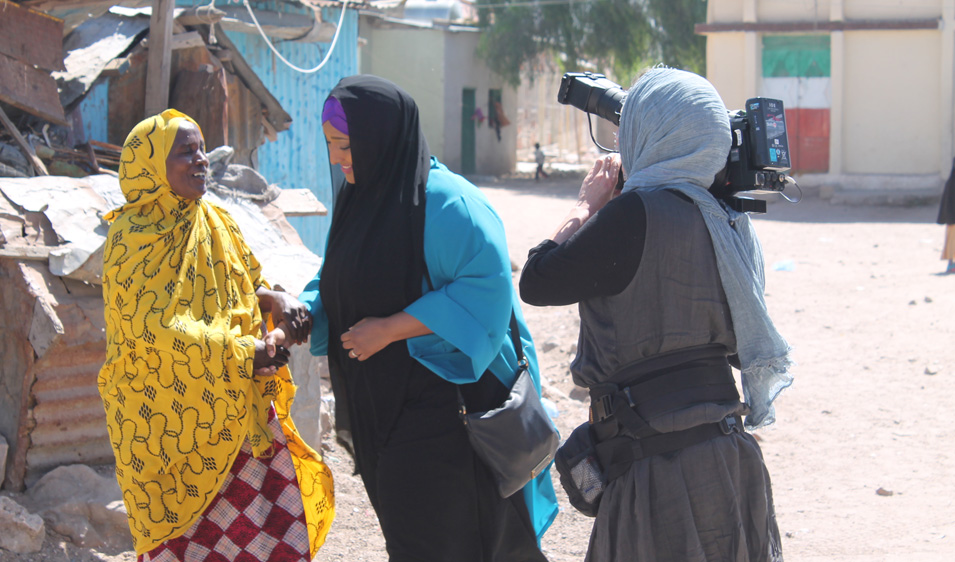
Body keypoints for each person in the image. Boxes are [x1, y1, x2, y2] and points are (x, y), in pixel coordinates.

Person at [519, 67, 790, 562]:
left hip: (655, 468)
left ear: (654, 132)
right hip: (725, 456)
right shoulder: (726, 219)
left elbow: (537, 281)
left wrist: (586, 205)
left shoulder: (632, 215)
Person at [290, 75, 557, 561]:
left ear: (382, 138)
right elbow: (338, 275)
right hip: (386, 412)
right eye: (331, 145)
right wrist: (299, 313)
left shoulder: (447, 203)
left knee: (457, 540)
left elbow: (487, 290)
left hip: (449, 414)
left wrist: (391, 328)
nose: (336, 159)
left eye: (346, 146)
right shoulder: (362, 197)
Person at [98, 109, 334, 562]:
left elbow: (240, 284)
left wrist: (273, 301)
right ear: (150, 167)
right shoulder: (131, 239)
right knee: (188, 544)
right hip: (167, 422)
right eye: (185, 151)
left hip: (236, 407)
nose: (201, 159)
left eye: (202, 148)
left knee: (273, 532)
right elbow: (153, 329)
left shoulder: (213, 220)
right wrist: (241, 350)